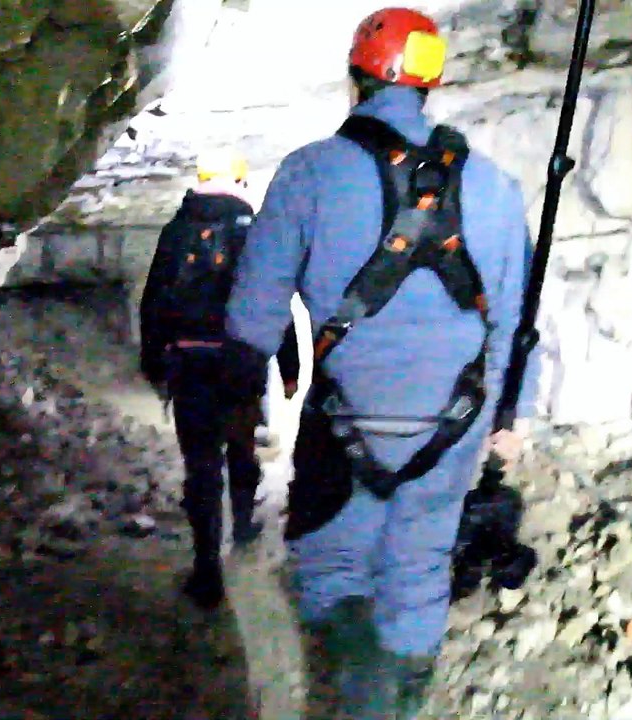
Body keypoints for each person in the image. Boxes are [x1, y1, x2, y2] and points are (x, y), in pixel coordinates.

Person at [224, 8, 535, 717]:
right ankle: (403, 697)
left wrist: (242, 403)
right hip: (457, 421)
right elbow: (515, 324)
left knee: (332, 567)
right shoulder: (495, 186)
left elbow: (253, 314)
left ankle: (362, 691)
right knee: (419, 569)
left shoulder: (308, 173)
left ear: (356, 78)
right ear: (432, 83)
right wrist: (512, 414)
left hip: (347, 419)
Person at [138, 148, 273, 611]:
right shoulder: (253, 233)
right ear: (239, 181)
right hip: (240, 363)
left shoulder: (177, 232)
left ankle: (207, 571)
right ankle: (243, 526)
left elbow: (154, 299)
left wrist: (153, 362)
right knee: (240, 444)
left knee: (201, 465)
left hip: (190, 363)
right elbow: (269, 298)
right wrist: (289, 364)